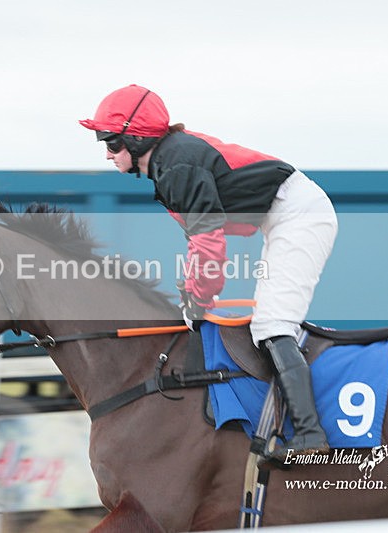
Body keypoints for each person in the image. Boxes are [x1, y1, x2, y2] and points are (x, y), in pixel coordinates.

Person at [80, 84, 338, 460]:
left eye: (112, 141)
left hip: (299, 215)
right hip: (284, 216)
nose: (107, 153)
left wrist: (199, 298)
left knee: (271, 324)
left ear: (136, 138)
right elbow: (201, 241)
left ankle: (311, 437)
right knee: (267, 322)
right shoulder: (169, 160)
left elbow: (209, 244)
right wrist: (194, 288)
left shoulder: (176, 164)